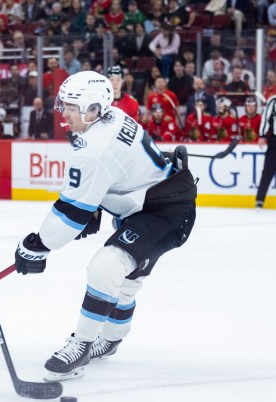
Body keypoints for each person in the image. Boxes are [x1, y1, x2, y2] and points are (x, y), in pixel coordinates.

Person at [13, 71, 197, 381]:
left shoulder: (93, 149)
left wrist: (37, 245)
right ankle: (111, 339)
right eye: (64, 105)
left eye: (72, 107)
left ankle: (82, 345)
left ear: (95, 109)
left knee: (106, 266)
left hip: (164, 212)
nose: (64, 113)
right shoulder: (114, 115)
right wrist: (97, 204)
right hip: (156, 202)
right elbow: (119, 171)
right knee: (125, 279)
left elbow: (71, 210)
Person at [256, 94, 276, 209]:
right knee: (268, 170)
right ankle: (260, 199)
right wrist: (262, 135)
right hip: (275, 140)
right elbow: (266, 118)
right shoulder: (273, 100)